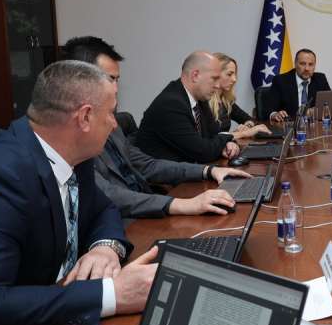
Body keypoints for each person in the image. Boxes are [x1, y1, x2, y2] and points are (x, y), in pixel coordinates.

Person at [0, 61, 158, 325]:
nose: (115, 123)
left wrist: (105, 248)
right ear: (85, 117)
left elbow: (103, 209)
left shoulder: (74, 154)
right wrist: (113, 294)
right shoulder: (1, 174)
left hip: (61, 319)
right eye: (111, 113)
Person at [60, 37, 250, 217]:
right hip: (129, 218)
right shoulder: (70, 136)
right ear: (80, 80)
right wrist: (179, 205)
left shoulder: (112, 126)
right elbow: (108, 196)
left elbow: (147, 165)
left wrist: (208, 171)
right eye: (111, 79)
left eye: (117, 80)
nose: (115, 88)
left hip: (147, 202)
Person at [136, 51, 244, 163]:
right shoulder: (171, 104)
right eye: (214, 78)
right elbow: (202, 152)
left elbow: (215, 134)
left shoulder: (199, 99)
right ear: (195, 76)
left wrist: (229, 144)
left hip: (187, 169)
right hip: (163, 173)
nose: (217, 85)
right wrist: (227, 137)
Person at [210, 52, 270, 137]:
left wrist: (247, 126)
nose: (234, 79)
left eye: (235, 74)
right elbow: (210, 139)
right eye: (229, 74)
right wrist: (241, 133)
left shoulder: (226, 102)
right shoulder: (203, 102)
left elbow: (249, 119)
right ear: (216, 74)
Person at [265, 49, 331, 122]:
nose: (307, 68)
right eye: (302, 64)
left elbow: (330, 104)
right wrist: (274, 114)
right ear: (295, 64)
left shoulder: (320, 79)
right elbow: (268, 108)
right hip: (289, 125)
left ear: (315, 65)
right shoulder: (280, 80)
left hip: (313, 125)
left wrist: (316, 110)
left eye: (310, 64)